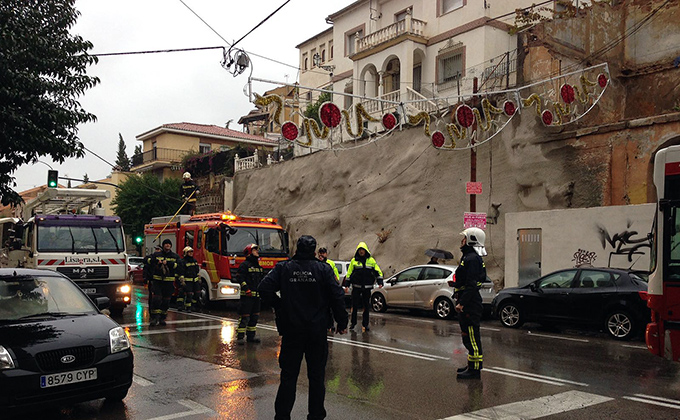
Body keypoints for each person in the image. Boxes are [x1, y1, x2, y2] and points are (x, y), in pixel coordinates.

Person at [258, 235, 348, 420]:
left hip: (292, 330)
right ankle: (315, 416)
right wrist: (342, 322)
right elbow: (337, 296)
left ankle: (282, 416)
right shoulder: (323, 269)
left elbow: (264, 288)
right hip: (317, 331)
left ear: (296, 249)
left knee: (289, 376)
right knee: (316, 378)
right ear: (314, 251)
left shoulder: (284, 268)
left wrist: (280, 305)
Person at [454, 227, 487, 380]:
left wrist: (462, 303)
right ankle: (470, 365)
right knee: (467, 336)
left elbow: (472, 284)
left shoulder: (472, 259)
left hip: (470, 304)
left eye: (464, 238)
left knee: (472, 338)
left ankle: (475, 371)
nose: (462, 241)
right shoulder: (468, 257)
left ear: (471, 240)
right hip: (467, 301)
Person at [345, 242, 383, 332]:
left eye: (363, 250)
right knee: (354, 306)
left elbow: (378, 271)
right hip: (356, 287)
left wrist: (380, 281)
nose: (361, 252)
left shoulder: (371, 261)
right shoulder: (354, 261)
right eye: (360, 250)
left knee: (366, 307)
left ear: (366, 251)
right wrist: (347, 284)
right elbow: (349, 273)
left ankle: (365, 324)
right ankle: (353, 323)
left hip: (367, 287)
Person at [236, 243, 265, 344]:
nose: (257, 252)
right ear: (249, 253)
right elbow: (240, 278)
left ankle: (251, 337)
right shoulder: (244, 265)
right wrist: (246, 289)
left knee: (254, 317)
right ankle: (240, 337)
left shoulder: (258, 266)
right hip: (247, 297)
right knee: (245, 317)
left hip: (256, 297)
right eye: (254, 250)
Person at [149, 239, 180, 326]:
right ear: (163, 246)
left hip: (169, 282)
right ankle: (154, 318)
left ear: (171, 246)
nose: (167, 245)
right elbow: (148, 261)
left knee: (166, 301)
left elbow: (178, 265)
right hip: (158, 281)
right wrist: (156, 262)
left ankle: (162, 318)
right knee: (156, 299)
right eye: (166, 244)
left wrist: (169, 263)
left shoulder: (175, 256)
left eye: (169, 244)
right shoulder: (157, 255)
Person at [318, 247, 340, 333]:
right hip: (319, 290)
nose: (321, 254)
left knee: (329, 309)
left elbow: (335, 276)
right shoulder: (316, 263)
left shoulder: (330, 264)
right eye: (320, 252)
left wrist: (335, 283)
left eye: (323, 253)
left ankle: (331, 325)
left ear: (326, 254)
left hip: (328, 289)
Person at [177, 246, 200, 312]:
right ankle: (188, 307)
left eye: (191, 252)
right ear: (185, 253)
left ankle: (193, 305)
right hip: (187, 281)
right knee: (189, 294)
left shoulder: (194, 261)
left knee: (197, 293)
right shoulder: (183, 261)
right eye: (189, 252)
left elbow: (196, 270)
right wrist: (182, 280)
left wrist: (199, 278)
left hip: (195, 280)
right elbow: (181, 271)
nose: (191, 253)